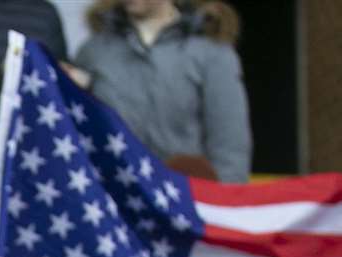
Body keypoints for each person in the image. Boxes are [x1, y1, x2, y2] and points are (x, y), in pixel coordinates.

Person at [71, 0, 251, 183]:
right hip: (115, 195)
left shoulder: (211, 52)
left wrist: (225, 201)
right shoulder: (94, 51)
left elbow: (229, 145)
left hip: (187, 197)